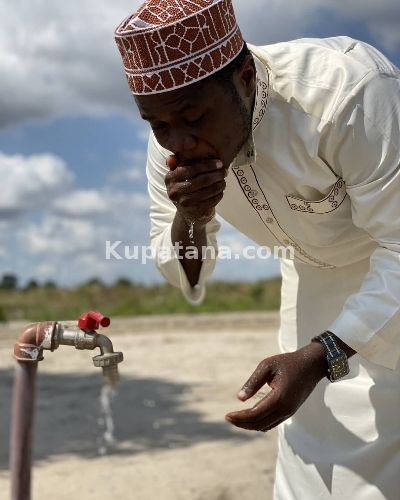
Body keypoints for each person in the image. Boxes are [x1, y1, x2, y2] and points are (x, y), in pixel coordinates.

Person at [114, 1, 400, 498]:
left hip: (388, 266)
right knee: (315, 462)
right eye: (157, 124)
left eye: (193, 116)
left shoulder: (348, 92)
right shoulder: (168, 148)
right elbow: (185, 272)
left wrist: (323, 355)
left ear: (245, 77)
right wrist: (191, 217)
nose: (179, 142)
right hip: (310, 287)